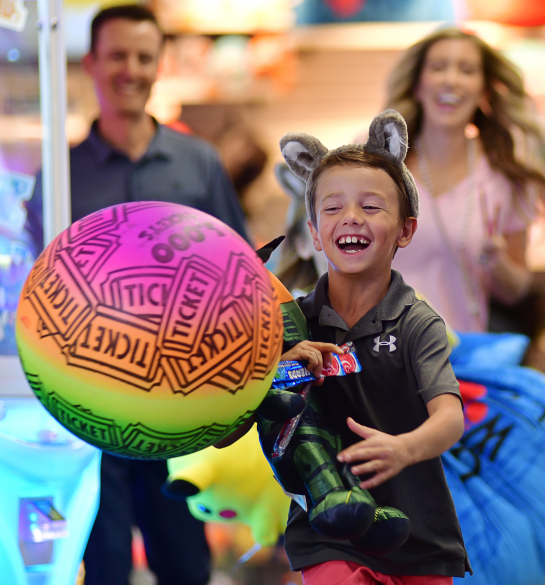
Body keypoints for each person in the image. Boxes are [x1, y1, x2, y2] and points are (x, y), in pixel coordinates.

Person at [24, 6, 248, 585]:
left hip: (184, 400)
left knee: (185, 563)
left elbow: (243, 277)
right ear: (91, 64)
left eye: (143, 57)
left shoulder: (197, 162)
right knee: (102, 566)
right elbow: (32, 290)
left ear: (160, 64)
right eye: (117, 55)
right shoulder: (62, 173)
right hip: (90, 407)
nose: (131, 69)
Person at [273, 111, 469, 583]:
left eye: (372, 206)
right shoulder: (287, 321)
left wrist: (403, 449)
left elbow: (449, 417)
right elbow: (236, 413)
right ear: (315, 233)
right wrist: (274, 369)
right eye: (333, 207)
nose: (352, 218)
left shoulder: (417, 322)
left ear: (406, 229)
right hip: (328, 532)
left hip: (419, 537)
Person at [384, 28, 545, 332]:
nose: (451, 79)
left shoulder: (506, 174)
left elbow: (516, 289)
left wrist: (496, 259)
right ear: (417, 85)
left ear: (484, 92)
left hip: (456, 362)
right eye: (438, 67)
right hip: (375, 354)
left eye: (467, 70)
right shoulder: (378, 160)